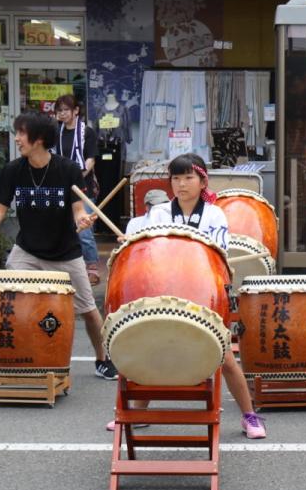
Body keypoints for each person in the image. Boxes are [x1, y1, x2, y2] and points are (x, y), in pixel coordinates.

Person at [106, 152, 265, 439]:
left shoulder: (214, 214)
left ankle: (249, 415)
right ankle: (138, 410)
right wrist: (129, 241)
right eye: (176, 178)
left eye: (188, 177)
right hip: (164, 287)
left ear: (203, 180)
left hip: (205, 292)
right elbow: (148, 250)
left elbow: (215, 256)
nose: (181, 184)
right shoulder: (159, 212)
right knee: (155, 344)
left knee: (225, 357)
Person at [0, 112, 118, 380]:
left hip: (65, 251)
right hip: (27, 251)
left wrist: (82, 220)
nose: (17, 139)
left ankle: (103, 358)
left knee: (89, 311)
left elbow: (78, 209)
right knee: (9, 301)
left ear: (39, 139)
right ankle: (17, 356)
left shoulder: (67, 169)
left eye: (21, 133)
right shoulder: (13, 170)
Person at [53, 94, 101, 287]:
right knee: (63, 228)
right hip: (62, 185)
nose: (62, 114)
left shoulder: (86, 132)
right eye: (59, 110)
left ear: (75, 111)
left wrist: (78, 175)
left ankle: (92, 267)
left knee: (84, 229)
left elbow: (91, 158)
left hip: (84, 186)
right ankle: (66, 266)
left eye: (66, 110)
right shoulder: (56, 132)